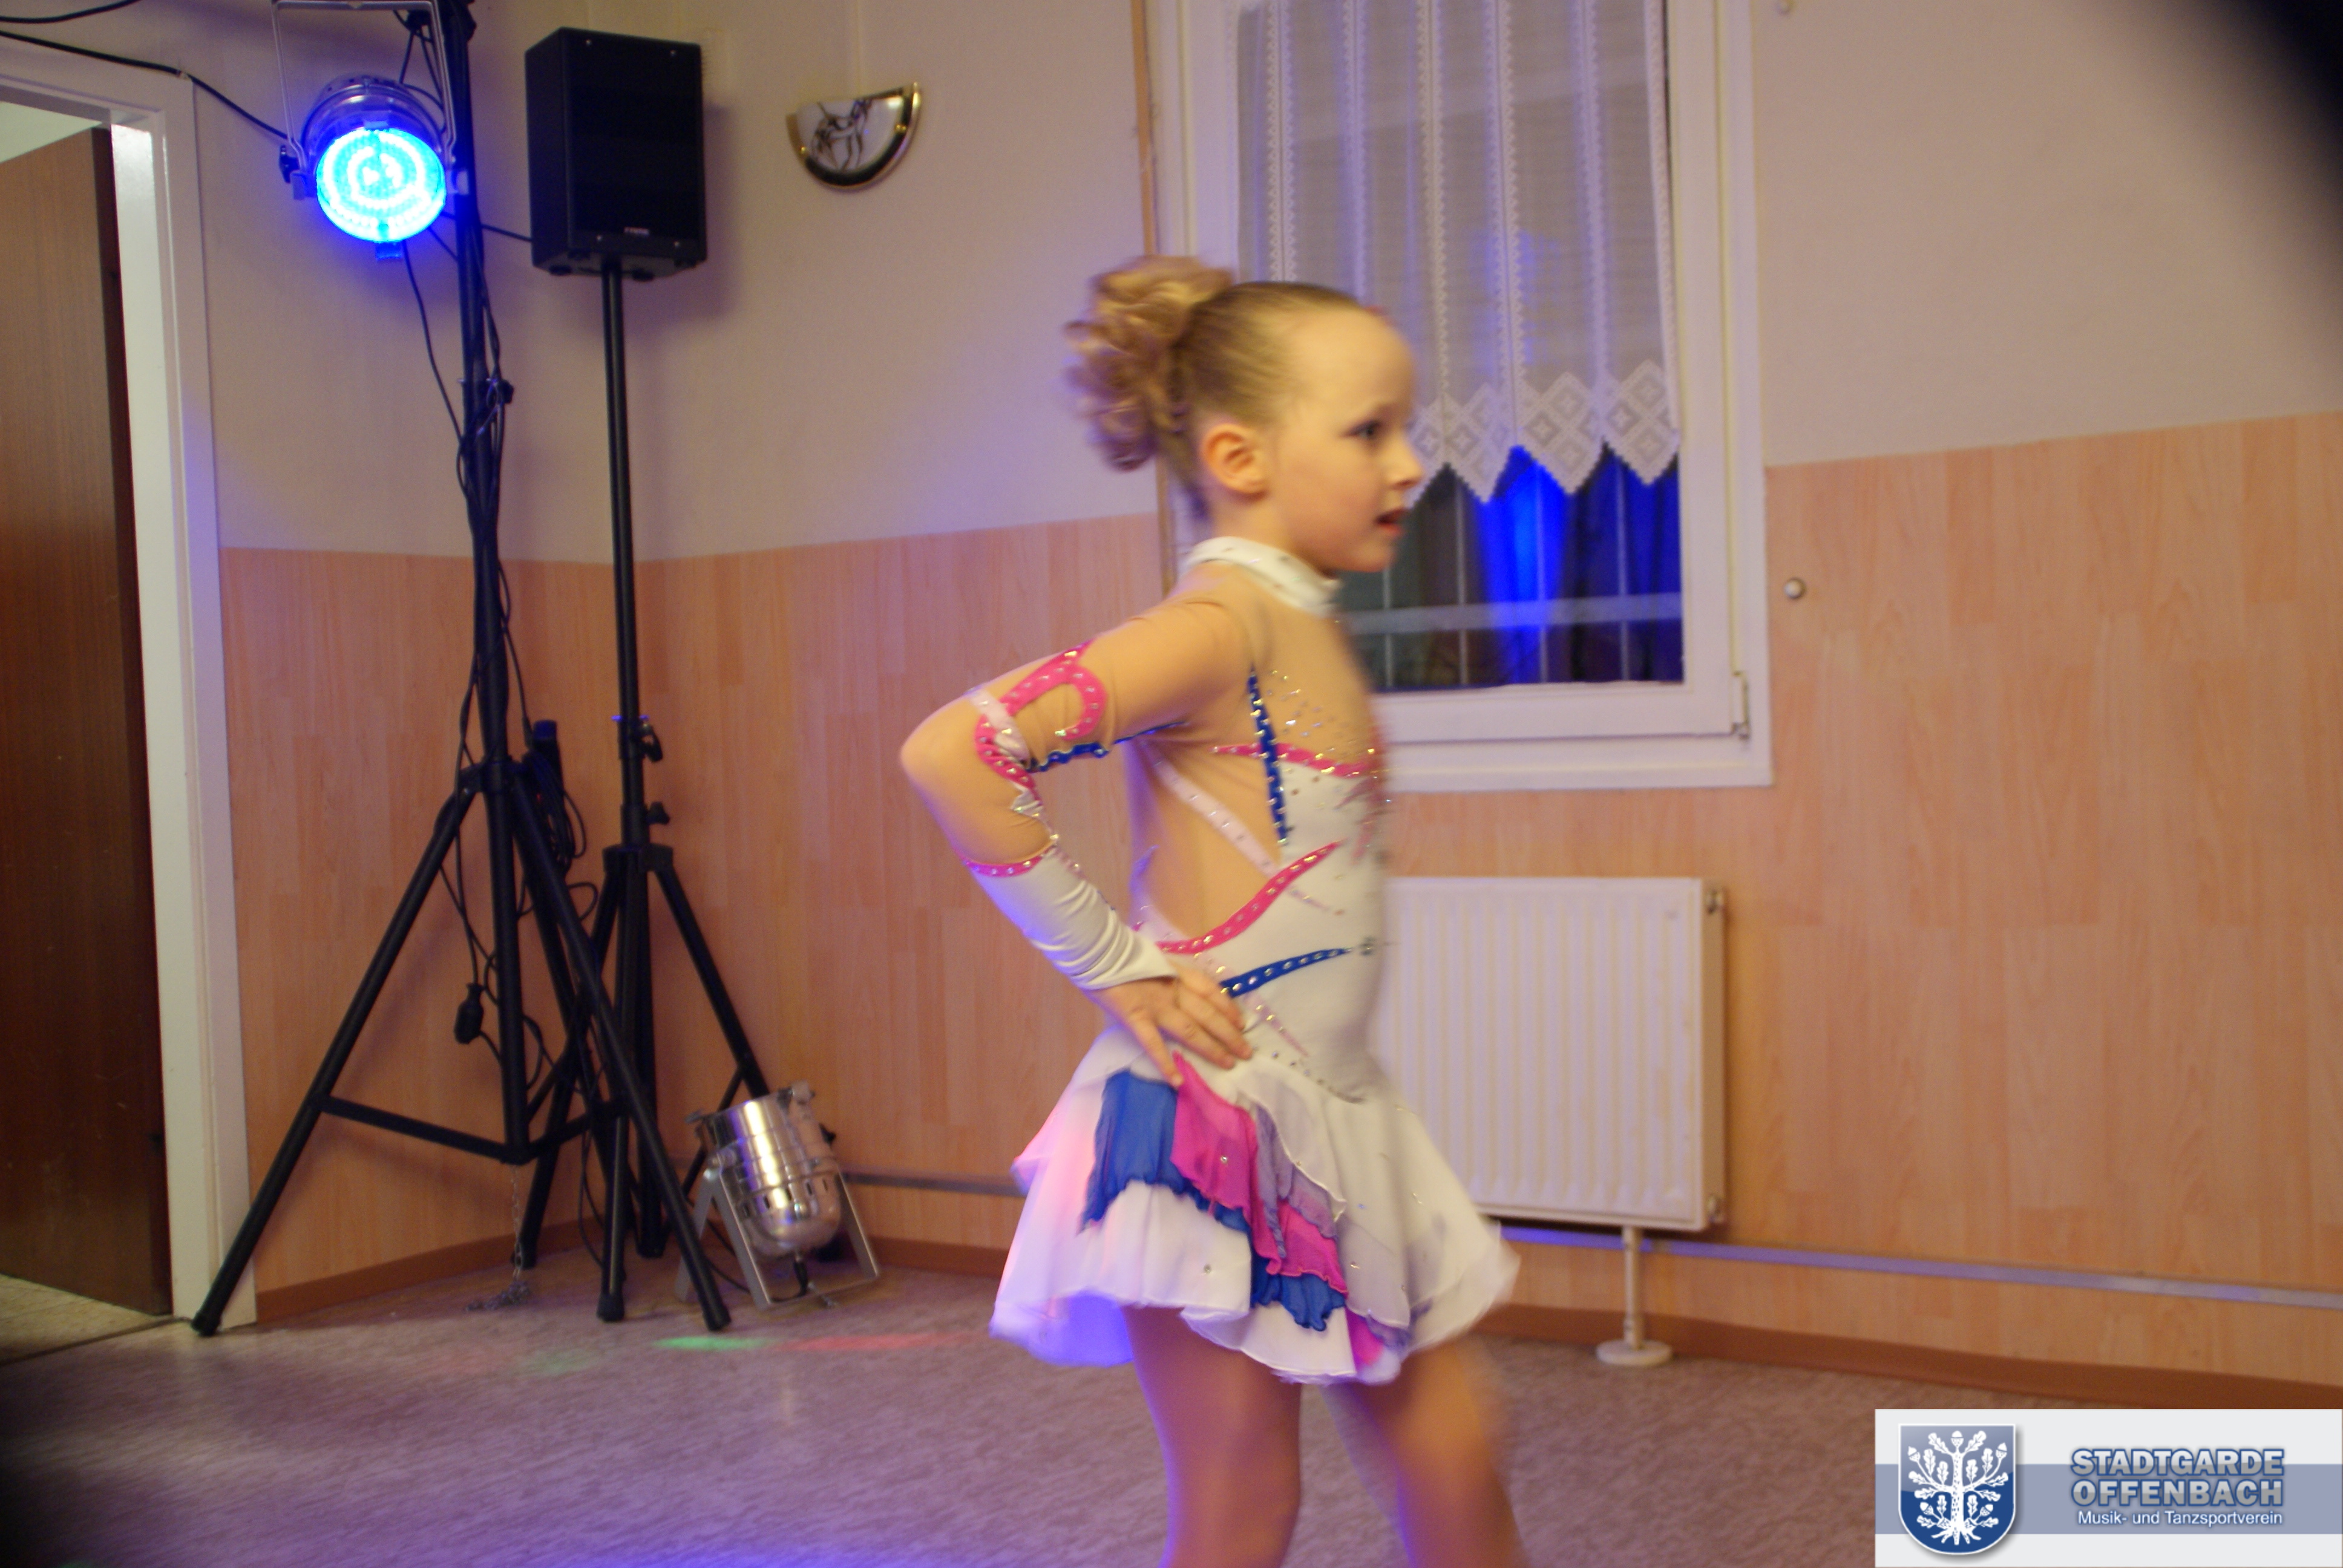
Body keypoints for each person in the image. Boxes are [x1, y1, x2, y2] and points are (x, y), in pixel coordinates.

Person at [900, 256, 1524, 1568]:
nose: (1410, 464)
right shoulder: (1223, 622)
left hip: (1333, 1111)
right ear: (1240, 456)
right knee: (1244, 1501)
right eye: (1369, 431)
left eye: (1405, 427)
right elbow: (958, 751)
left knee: (1458, 1455)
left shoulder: (1294, 616)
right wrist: (1114, 963)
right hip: (1210, 1122)